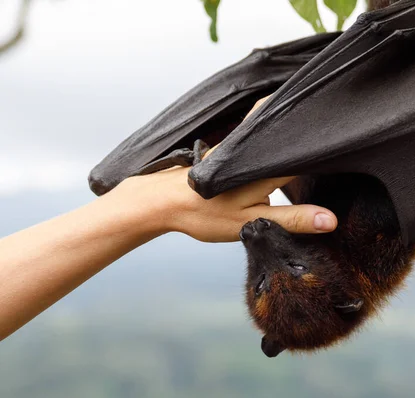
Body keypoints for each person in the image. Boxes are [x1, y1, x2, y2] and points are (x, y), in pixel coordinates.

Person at [0, 99, 338, 342]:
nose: (261, 245)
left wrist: (150, 202)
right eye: (295, 269)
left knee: (104, 181)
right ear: (345, 297)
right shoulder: (371, 240)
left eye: (261, 281)